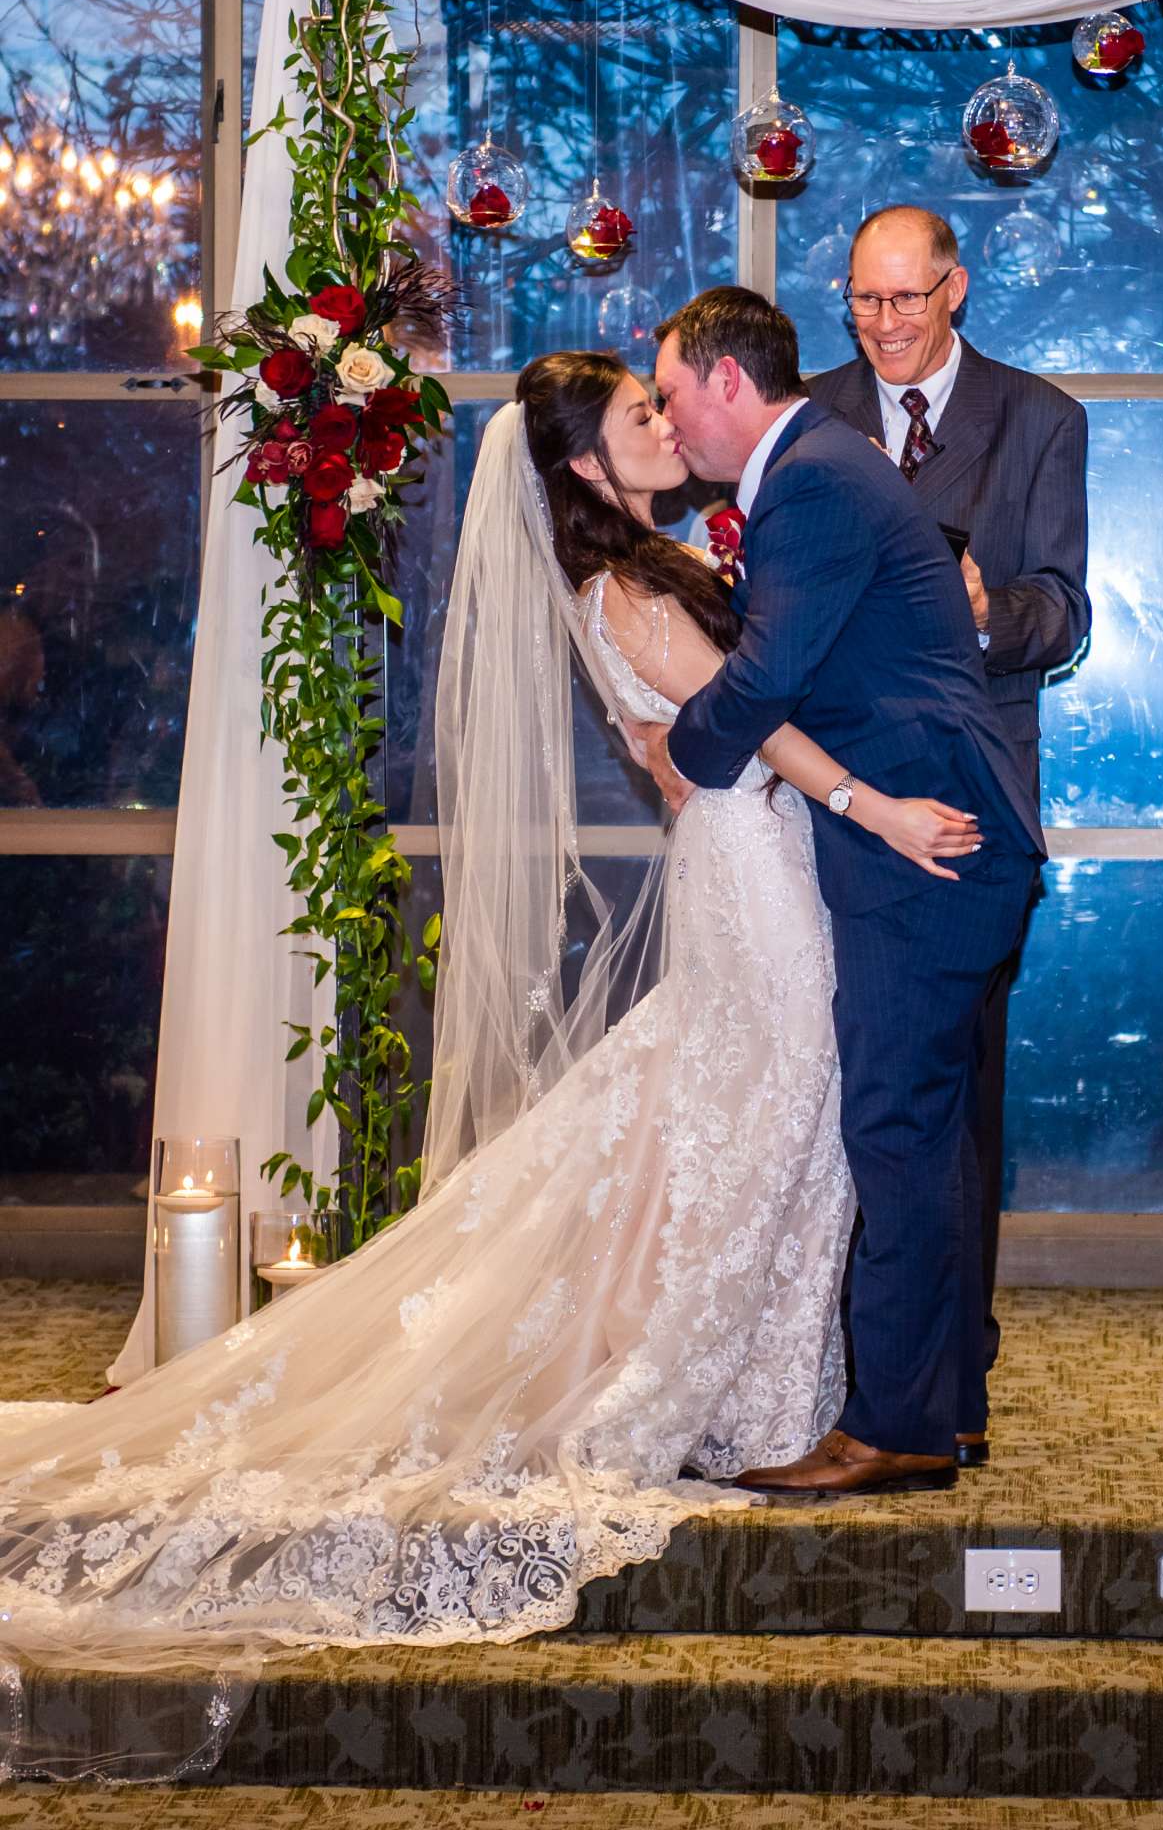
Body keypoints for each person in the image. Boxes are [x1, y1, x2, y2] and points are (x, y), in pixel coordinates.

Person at [0, 350, 976, 1782]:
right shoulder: (630, 585)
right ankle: (694, 1385)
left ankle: (739, 1384)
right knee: (757, 1107)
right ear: (584, 467)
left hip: (749, 857)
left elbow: (691, 738)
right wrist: (881, 806)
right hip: (764, 864)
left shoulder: (641, 565)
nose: (663, 424)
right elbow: (748, 727)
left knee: (736, 1111)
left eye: (663, 405)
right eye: (639, 418)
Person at [653, 286, 1046, 1497]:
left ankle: (901, 1427)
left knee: (896, 1131)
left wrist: (685, 750)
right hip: (932, 833)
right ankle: (937, 1410)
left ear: (728, 383)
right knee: (918, 1130)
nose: (667, 428)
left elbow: (768, 671)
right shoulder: (829, 460)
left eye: (670, 398)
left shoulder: (812, 480)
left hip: (923, 845)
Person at [808, 205, 1089, 1440]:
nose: (886, 328)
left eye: (907, 301)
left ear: (955, 289)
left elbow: (1067, 612)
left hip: (969, 804)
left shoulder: (1039, 420)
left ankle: (949, 1382)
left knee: (950, 1099)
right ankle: (842, 1369)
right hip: (829, 793)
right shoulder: (807, 411)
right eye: (865, 303)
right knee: (838, 1094)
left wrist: (984, 612)